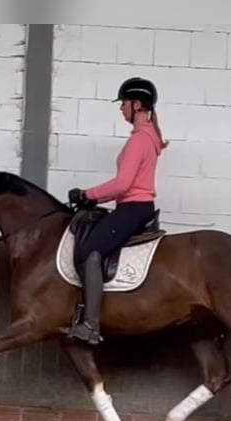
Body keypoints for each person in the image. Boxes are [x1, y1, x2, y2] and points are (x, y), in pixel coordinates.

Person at [66, 76, 170, 345]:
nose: (120, 108)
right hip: (136, 206)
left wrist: (88, 195)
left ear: (136, 105)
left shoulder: (139, 141)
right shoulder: (147, 137)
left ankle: (89, 324)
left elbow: (123, 183)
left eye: (123, 103)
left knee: (90, 250)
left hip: (133, 208)